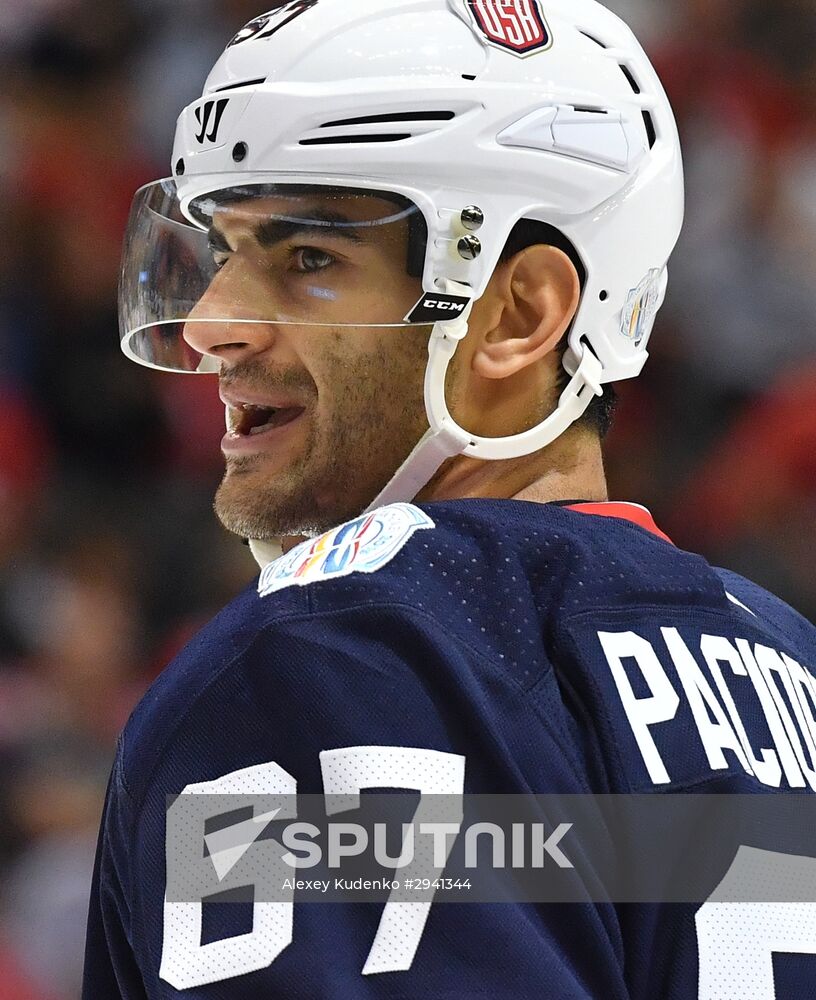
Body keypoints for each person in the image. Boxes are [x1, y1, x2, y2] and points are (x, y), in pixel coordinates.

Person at [84, 1, 816, 997]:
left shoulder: (336, 657)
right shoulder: (789, 662)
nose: (214, 322)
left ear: (518, 313)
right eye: (223, 253)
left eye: (309, 259)